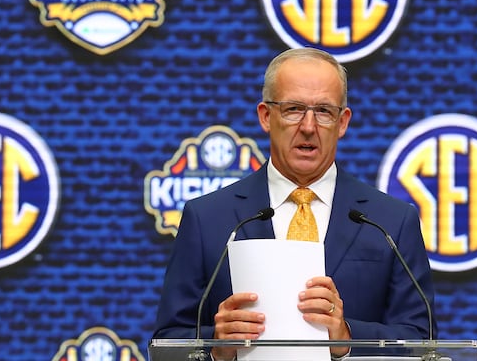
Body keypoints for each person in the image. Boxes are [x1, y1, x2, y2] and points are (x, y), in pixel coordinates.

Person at [152, 47, 436, 359]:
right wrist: (217, 347)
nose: (309, 127)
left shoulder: (391, 222)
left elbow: (420, 343)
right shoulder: (208, 219)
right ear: (265, 116)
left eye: (325, 112)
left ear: (343, 122)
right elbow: (168, 344)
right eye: (294, 109)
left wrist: (347, 338)